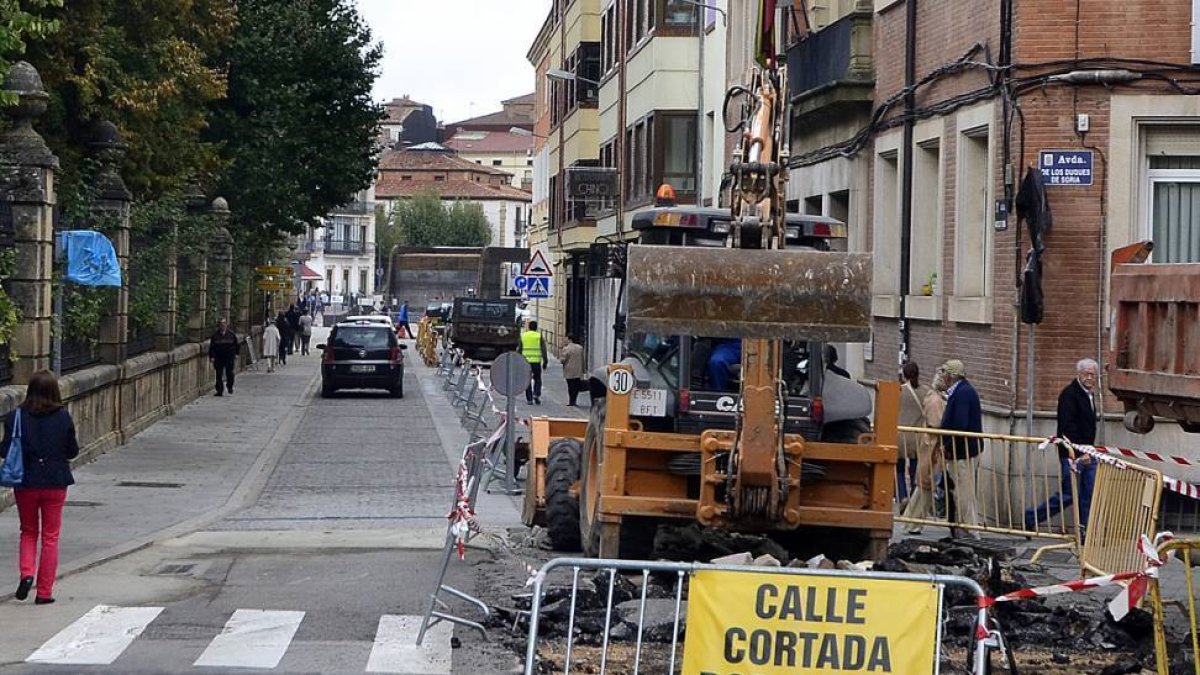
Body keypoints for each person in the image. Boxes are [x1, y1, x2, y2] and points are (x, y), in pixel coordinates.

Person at [2, 370, 80, 604]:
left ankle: (27, 574)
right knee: (50, 536)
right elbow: (72, 451)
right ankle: (44, 592)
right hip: (55, 482)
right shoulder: (63, 417)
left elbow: (5, 450)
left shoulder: (15, 416)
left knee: (28, 531)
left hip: (25, 481)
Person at [1025, 358, 1099, 532]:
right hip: (1073, 454)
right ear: (1079, 374)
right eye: (1086, 374)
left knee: (1087, 494)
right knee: (1069, 494)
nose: (1090, 378)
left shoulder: (1089, 394)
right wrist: (1080, 453)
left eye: (1093, 375)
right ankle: (1033, 517)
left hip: (1088, 452)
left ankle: (1084, 531)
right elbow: (1067, 427)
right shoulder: (1069, 394)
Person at [938, 359, 983, 538]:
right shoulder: (962, 391)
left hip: (963, 451)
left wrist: (949, 445)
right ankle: (964, 527)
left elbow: (960, 423)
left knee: (964, 491)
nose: (942, 376)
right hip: (963, 449)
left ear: (950, 375)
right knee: (961, 490)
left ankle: (970, 530)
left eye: (944, 373)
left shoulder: (962, 393)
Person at [901, 367, 949, 534]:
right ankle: (913, 521)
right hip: (931, 446)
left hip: (919, 440)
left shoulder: (931, 396)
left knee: (922, 482)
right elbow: (936, 424)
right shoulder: (935, 400)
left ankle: (910, 518)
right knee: (926, 483)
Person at [897, 361, 933, 505]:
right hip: (918, 435)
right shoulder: (926, 391)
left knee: (899, 469)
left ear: (904, 374)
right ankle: (913, 497)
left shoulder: (898, 390)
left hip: (900, 435)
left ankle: (902, 496)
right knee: (914, 467)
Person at [208, 318, 239, 396]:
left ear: (226, 325)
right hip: (219, 357)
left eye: (224, 324)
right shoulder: (215, 336)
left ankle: (229, 386)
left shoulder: (231, 334)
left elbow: (236, 345)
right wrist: (212, 357)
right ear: (219, 326)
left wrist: (236, 354)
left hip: (229, 357)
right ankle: (219, 390)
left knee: (230, 373)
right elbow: (212, 347)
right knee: (219, 375)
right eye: (221, 324)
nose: (222, 326)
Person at [522, 320, 548, 405]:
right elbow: (543, 350)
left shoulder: (523, 336)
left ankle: (529, 399)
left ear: (529, 327)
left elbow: (519, 349)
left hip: (525, 362)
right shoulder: (539, 336)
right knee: (537, 379)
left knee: (527, 380)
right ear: (536, 328)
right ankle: (536, 394)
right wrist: (545, 361)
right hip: (536, 362)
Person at [561, 334, 586, 407]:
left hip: (569, 370)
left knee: (570, 386)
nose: (565, 340)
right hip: (578, 370)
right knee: (576, 386)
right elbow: (582, 359)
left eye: (566, 339)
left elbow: (563, 360)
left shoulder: (566, 349)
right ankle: (574, 400)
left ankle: (571, 401)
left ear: (569, 339)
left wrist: (561, 359)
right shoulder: (580, 348)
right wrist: (583, 370)